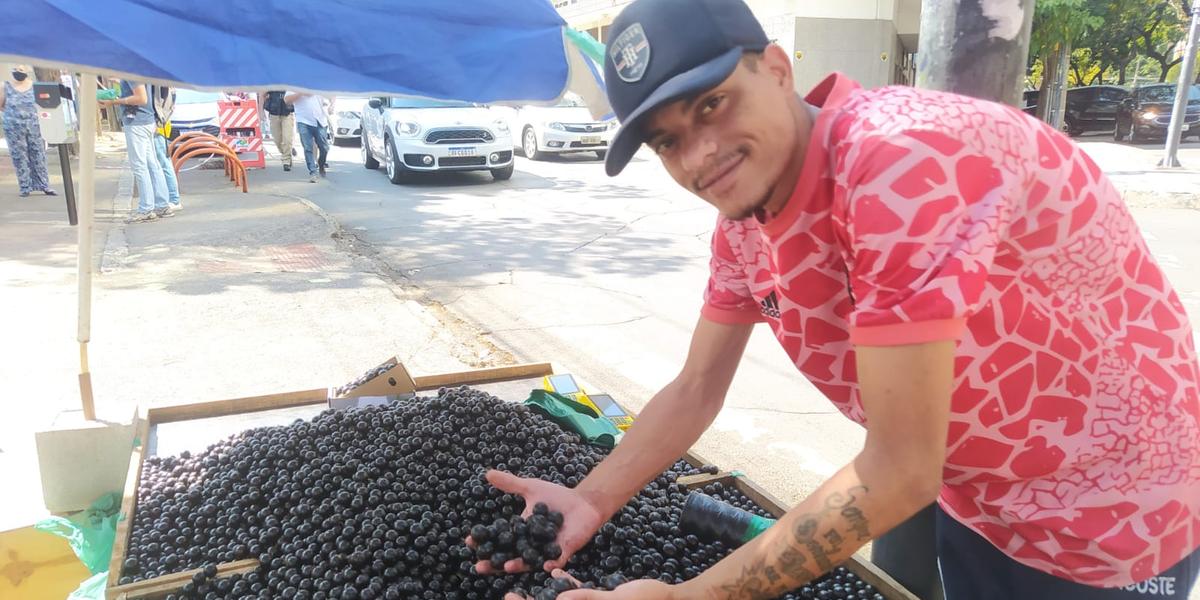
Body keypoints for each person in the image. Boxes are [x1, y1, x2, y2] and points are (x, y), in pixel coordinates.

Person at [475, 1, 1200, 599]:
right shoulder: (747, 223)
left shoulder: (900, 162)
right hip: (970, 484)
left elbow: (897, 469)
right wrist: (593, 499)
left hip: (1106, 512)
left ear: (780, 70)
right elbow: (697, 386)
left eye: (713, 104)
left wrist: (689, 596)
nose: (697, 155)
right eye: (667, 142)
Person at [101, 79, 171, 222]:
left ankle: (146, 208)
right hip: (147, 120)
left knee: (139, 166)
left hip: (136, 121)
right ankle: (162, 204)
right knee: (152, 164)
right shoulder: (138, 70)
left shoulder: (131, 72)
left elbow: (141, 98)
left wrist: (115, 102)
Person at [1, 65, 56, 197]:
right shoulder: (5, 86)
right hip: (14, 127)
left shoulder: (35, 86)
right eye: (16, 69)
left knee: (38, 154)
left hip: (34, 125)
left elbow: (44, 104)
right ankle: (25, 186)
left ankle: (44, 184)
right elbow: (1, 105)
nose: (18, 71)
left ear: (27, 71)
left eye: (21, 69)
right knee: (19, 156)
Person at [283, 91, 330, 183]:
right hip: (303, 120)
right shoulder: (295, 85)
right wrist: (301, 93)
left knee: (324, 147)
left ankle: (321, 163)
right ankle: (313, 172)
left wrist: (331, 105)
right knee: (308, 147)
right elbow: (287, 100)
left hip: (320, 120)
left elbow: (331, 95)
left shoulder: (318, 82)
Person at [151, 84, 182, 211]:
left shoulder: (160, 85)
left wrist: (156, 122)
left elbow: (158, 104)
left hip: (159, 126)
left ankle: (173, 199)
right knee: (164, 162)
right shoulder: (168, 84)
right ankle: (173, 198)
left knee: (164, 163)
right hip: (163, 124)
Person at [259, 90, 296, 171]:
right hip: (274, 112)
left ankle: (286, 160)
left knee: (287, 138)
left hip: (287, 112)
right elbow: (262, 94)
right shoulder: (271, 81)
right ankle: (287, 153)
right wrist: (261, 111)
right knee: (277, 140)